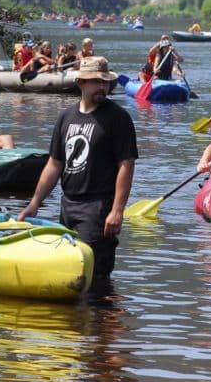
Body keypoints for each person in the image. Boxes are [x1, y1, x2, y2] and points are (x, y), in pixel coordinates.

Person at [17, 57, 138, 294]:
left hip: (99, 208)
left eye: (105, 82)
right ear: (81, 82)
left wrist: (117, 210)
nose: (101, 87)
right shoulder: (66, 117)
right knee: (69, 272)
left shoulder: (118, 117)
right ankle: (77, 327)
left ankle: (103, 325)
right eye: (95, 82)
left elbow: (126, 164)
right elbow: (54, 164)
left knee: (95, 277)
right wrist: (34, 203)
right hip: (68, 205)